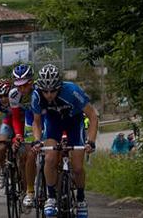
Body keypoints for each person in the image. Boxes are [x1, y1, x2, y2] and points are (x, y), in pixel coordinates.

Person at [31, 64, 98, 218]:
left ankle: (81, 199)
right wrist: (36, 140)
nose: (48, 95)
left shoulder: (72, 91)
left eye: (52, 90)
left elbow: (93, 116)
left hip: (74, 122)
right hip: (53, 123)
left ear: (59, 86)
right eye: (45, 91)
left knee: (78, 167)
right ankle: (51, 197)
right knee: (50, 158)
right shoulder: (36, 96)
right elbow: (37, 122)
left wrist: (91, 141)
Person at [9, 64, 39, 208]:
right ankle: (30, 191)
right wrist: (18, 134)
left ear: (31, 82)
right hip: (29, 118)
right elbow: (15, 118)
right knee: (29, 154)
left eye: (24, 86)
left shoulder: (40, 91)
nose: (21, 89)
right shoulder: (14, 95)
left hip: (45, 117)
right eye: (18, 86)